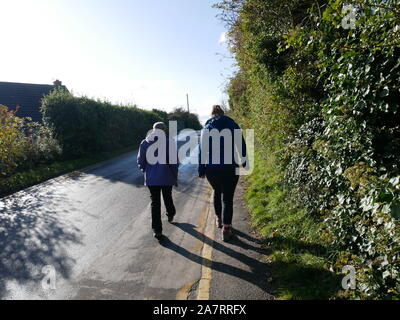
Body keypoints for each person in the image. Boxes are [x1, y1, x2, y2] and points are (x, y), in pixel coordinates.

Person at [198, 105, 247, 242]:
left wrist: (201, 169)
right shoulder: (232, 125)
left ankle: (218, 219)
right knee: (228, 198)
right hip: (230, 167)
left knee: (217, 192)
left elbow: (202, 151)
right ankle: (226, 229)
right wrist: (244, 163)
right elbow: (241, 145)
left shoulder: (206, 129)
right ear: (223, 113)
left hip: (212, 169)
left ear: (212, 114)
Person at [137, 122, 178, 240]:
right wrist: (175, 176)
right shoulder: (169, 142)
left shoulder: (145, 142)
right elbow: (173, 162)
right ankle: (171, 213)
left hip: (151, 179)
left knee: (155, 203)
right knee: (167, 197)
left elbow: (140, 161)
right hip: (167, 176)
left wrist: (146, 171)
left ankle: (157, 230)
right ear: (164, 130)